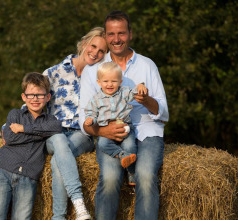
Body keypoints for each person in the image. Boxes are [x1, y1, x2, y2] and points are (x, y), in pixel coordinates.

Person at [79, 11, 169, 219]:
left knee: (146, 177)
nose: (116, 39)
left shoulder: (147, 65)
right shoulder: (93, 71)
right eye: (111, 34)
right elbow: (83, 117)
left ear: (130, 33)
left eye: (121, 33)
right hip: (111, 133)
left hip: (147, 131)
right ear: (106, 35)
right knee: (110, 179)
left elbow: (163, 112)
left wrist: (146, 100)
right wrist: (103, 131)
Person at [42, 27, 108, 220]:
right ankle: (79, 204)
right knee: (60, 144)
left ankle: (59, 217)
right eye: (93, 46)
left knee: (58, 158)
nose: (95, 53)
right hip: (54, 132)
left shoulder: (100, 78)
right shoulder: (54, 73)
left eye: (102, 51)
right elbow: (32, 100)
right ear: (84, 43)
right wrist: (9, 126)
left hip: (82, 134)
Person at [0, 72, 62, 220]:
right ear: (23, 97)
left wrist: (23, 129)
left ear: (47, 97)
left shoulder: (50, 120)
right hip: (4, 171)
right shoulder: (15, 114)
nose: (35, 99)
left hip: (28, 177)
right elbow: (10, 137)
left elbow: (57, 128)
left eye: (40, 95)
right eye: (31, 95)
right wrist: (41, 133)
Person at [84, 62, 147, 185]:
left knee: (130, 146)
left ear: (120, 81)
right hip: (106, 131)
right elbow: (91, 112)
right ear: (99, 82)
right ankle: (121, 155)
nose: (109, 84)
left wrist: (140, 85)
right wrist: (90, 119)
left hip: (125, 128)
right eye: (106, 81)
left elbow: (135, 92)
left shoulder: (123, 93)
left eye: (113, 81)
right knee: (102, 144)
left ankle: (132, 173)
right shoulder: (96, 99)